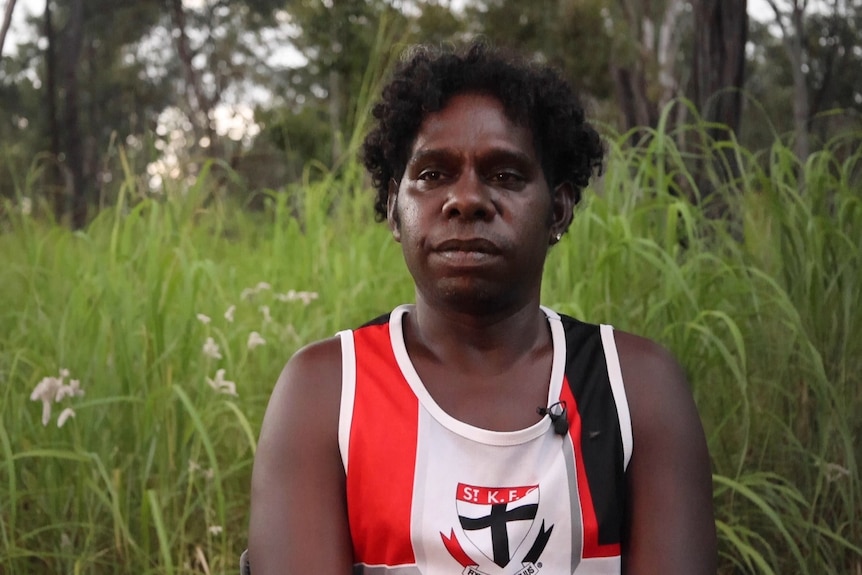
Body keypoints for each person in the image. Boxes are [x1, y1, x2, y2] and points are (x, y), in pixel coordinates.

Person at [249, 42, 717, 575]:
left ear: (558, 209)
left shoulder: (636, 386)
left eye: (505, 175)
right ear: (393, 212)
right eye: (431, 175)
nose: (466, 199)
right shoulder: (326, 391)